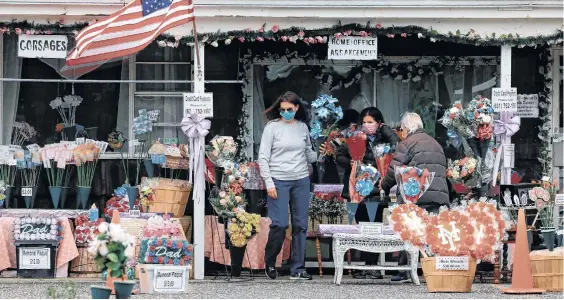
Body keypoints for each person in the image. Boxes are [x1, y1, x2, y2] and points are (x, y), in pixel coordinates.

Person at [381, 112, 449, 282]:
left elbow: (394, 171)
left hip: (415, 195)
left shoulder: (407, 143)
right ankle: (436, 269)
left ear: (405, 129)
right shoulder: (436, 143)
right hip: (438, 196)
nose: (400, 133)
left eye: (400, 130)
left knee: (409, 231)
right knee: (433, 233)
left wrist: (383, 186)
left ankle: (404, 271)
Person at [258, 91, 317, 280]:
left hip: (301, 179)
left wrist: (323, 149)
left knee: (300, 225)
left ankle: (298, 268)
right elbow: (263, 158)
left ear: (297, 108)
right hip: (278, 180)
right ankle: (270, 261)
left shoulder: (302, 128)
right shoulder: (272, 128)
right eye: (282, 110)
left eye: (289, 110)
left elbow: (309, 154)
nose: (285, 113)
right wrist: (269, 183)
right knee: (280, 223)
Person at [335, 107, 399, 279]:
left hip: (376, 189)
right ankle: (364, 264)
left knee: (375, 226)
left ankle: (373, 266)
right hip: (357, 188)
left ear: (378, 123)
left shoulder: (384, 137)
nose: (366, 125)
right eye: (364, 122)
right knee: (362, 227)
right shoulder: (354, 136)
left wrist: (384, 129)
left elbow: (397, 145)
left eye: (370, 122)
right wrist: (351, 163)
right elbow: (338, 154)